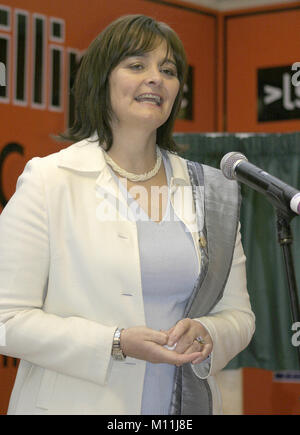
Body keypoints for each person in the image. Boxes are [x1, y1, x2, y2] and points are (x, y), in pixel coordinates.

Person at [0, 14, 255, 415]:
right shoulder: (50, 180)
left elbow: (238, 315)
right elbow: (6, 319)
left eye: (167, 70)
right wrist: (115, 342)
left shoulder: (210, 189)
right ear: (102, 81)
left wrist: (209, 331)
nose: (155, 78)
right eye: (137, 65)